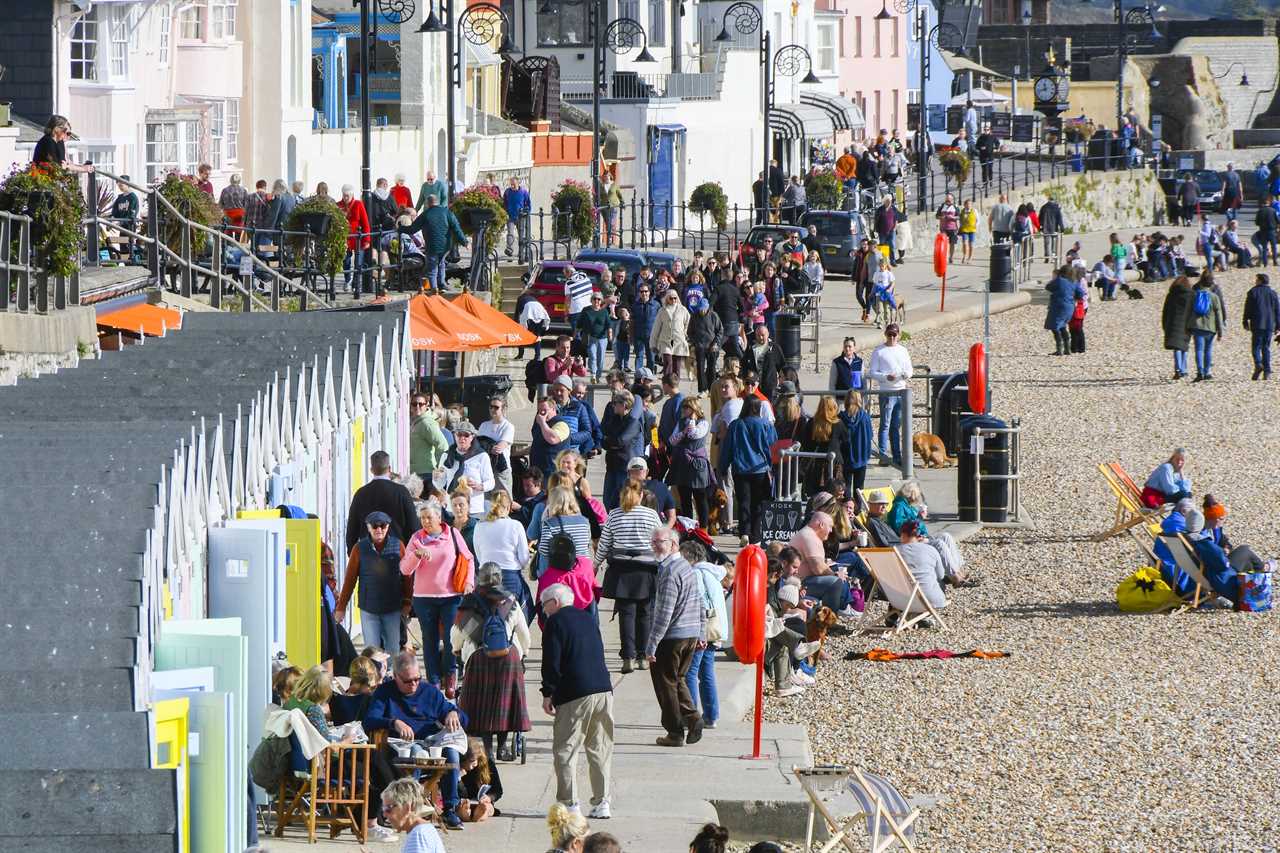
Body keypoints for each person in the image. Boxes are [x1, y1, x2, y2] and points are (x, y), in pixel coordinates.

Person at [283, 666, 397, 841]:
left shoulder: (292, 703)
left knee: (375, 763)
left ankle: (367, 816)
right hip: (322, 766)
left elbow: (318, 740)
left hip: (301, 762)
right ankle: (370, 823)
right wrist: (348, 739)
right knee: (374, 766)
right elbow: (330, 748)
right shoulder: (313, 710)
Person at [364, 650, 468, 829]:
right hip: (400, 745)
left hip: (430, 741)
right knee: (415, 753)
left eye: (417, 679)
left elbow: (465, 720)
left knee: (451, 752)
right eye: (407, 681)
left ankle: (450, 808)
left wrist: (453, 713)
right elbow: (369, 720)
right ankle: (409, 807)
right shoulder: (385, 692)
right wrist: (394, 722)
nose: (413, 684)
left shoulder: (428, 691)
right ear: (396, 676)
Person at [451, 561, 531, 793]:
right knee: (504, 706)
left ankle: (486, 747)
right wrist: (523, 653)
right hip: (508, 660)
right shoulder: (511, 602)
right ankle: (504, 745)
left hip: (477, 660)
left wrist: (457, 651)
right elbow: (524, 634)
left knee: (480, 708)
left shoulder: (468, 604)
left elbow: (456, 637)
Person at [541, 581, 615, 819]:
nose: (544, 611)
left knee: (566, 749)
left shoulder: (555, 622)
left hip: (575, 692)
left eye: (545, 606)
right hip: (603, 689)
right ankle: (602, 802)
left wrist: (548, 692)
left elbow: (551, 661)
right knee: (600, 747)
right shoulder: (588, 618)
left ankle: (569, 803)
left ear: (555, 602)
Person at [401, 502, 475, 693]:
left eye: (429, 517)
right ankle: (433, 680)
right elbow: (404, 569)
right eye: (422, 518)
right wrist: (416, 555)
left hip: (451, 596)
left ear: (439, 518)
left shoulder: (452, 534)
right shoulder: (416, 538)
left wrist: (469, 582)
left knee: (451, 640)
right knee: (430, 639)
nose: (425, 521)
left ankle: (450, 676)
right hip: (424, 598)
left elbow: (468, 559)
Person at [644, 526, 706, 748]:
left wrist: (651, 645)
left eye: (659, 541)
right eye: (653, 541)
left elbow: (664, 612)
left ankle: (675, 731)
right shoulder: (686, 567)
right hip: (688, 634)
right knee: (677, 680)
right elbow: (700, 601)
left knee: (665, 684)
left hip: (673, 636)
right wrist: (700, 631)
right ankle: (692, 718)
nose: (654, 545)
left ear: (673, 544)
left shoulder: (670, 571)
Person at [333, 509, 411, 651]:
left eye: (383, 525)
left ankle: (393, 673)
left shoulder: (398, 545)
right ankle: (375, 673)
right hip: (368, 607)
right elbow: (349, 580)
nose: (379, 529)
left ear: (388, 527)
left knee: (393, 649)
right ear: (368, 527)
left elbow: (407, 577)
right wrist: (341, 608)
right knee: (372, 650)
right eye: (374, 526)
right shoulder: (359, 548)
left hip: (392, 607)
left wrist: (407, 601)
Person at [718, 395, 777, 546]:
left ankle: (744, 532)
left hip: (741, 469)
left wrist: (723, 467)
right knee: (758, 504)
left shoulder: (735, 425)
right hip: (760, 469)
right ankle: (756, 537)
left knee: (744, 502)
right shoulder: (765, 424)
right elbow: (773, 443)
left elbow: (728, 449)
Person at [682, 540, 725, 730]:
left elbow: (699, 604)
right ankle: (711, 715)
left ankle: (691, 716)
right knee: (707, 673)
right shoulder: (712, 573)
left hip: (702, 630)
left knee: (690, 672)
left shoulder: (695, 573)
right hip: (716, 630)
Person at [884, 481, 966, 580]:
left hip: (920, 536)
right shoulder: (899, 507)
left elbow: (911, 524)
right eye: (917, 495)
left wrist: (919, 518)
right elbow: (902, 528)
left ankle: (959, 571)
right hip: (912, 541)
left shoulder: (906, 506)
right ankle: (955, 576)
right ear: (912, 495)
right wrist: (919, 518)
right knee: (939, 543)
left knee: (946, 536)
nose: (917, 498)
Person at [473, 490, 534, 624]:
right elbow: (524, 558)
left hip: (486, 576)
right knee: (520, 613)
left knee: (488, 615)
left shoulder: (479, 525)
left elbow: (479, 555)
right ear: (509, 507)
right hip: (510, 575)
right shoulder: (515, 525)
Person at [398, 195, 468, 292]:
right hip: (445, 246)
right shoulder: (447, 213)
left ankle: (434, 288)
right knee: (441, 263)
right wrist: (464, 242)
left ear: (428, 203)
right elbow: (457, 229)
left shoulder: (425, 214)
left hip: (431, 246)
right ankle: (442, 284)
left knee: (432, 267)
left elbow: (412, 229)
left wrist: (401, 228)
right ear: (438, 202)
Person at [867, 324, 911, 467]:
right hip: (886, 391)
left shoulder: (903, 350)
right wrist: (886, 377)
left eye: (894, 335)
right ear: (885, 335)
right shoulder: (879, 351)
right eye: (889, 335)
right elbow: (872, 372)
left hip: (901, 391)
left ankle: (897, 455)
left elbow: (909, 369)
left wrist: (905, 375)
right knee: (885, 424)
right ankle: (883, 455)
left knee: (896, 425)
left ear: (898, 335)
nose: (892, 338)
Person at [668, 397, 713, 528]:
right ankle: (688, 527)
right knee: (685, 498)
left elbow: (694, 434)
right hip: (682, 463)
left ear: (694, 409)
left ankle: (704, 528)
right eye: (684, 407)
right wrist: (683, 432)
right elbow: (672, 440)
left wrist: (692, 421)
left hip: (698, 464)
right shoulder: (681, 422)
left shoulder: (703, 423)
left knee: (700, 498)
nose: (684, 410)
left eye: (687, 407)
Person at [436, 421, 494, 516]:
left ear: (472, 437)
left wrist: (479, 486)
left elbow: (491, 482)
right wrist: (436, 478)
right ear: (455, 436)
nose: (462, 438)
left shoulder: (481, 456)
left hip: (473, 508)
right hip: (452, 508)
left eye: (466, 435)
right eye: (459, 434)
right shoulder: (446, 456)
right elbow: (440, 485)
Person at [894, 520, 949, 617]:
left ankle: (900, 616)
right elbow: (940, 575)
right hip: (931, 599)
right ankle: (924, 616)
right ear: (918, 535)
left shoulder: (893, 552)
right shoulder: (931, 549)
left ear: (903, 534)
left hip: (900, 600)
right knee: (937, 581)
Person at [833, 388, 873, 495]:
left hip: (845, 457)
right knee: (859, 489)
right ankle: (858, 509)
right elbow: (870, 436)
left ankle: (846, 509)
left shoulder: (841, 418)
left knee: (845, 487)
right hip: (861, 457)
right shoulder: (865, 417)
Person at [1186, 274, 1225, 381]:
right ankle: (1207, 372)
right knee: (1208, 350)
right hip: (1210, 328)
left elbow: (1188, 312)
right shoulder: (1214, 297)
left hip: (1197, 326)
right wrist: (1220, 332)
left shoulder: (1194, 295)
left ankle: (1200, 372)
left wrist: (1187, 327)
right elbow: (1219, 315)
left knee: (1199, 350)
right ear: (1211, 284)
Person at [337, 185, 373, 295]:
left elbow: (365, 223)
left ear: (352, 195)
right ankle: (348, 280)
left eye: (347, 196)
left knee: (358, 262)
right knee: (345, 261)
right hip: (345, 239)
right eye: (344, 195)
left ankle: (355, 284)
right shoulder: (338, 205)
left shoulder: (358, 204)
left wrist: (367, 240)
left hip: (358, 239)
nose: (345, 198)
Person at [1243, 273, 1280, 380]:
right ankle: (1267, 371)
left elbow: (1248, 308)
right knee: (1266, 347)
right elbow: (1277, 311)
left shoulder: (1252, 292)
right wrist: (1278, 325)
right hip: (1269, 324)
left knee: (1256, 346)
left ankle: (1258, 364)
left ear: (1260, 281)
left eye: (1256, 279)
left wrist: (1245, 321)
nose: (1255, 281)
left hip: (1257, 324)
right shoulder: (1273, 293)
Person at [477, 396, 516, 495]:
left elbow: (499, 448)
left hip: (500, 471)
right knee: (486, 503)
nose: (493, 409)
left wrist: (485, 445)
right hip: (484, 469)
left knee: (502, 501)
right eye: (491, 407)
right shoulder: (483, 425)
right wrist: (488, 446)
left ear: (503, 408)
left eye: (496, 407)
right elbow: (476, 446)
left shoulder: (508, 427)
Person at [1045, 265, 1086, 356]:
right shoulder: (1074, 282)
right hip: (1070, 307)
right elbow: (1081, 294)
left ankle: (1059, 349)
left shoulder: (1059, 280)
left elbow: (1048, 287)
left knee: (1055, 326)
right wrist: (1072, 297)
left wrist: (1055, 279)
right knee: (1063, 325)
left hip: (1058, 306)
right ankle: (1067, 349)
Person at [651, 289, 692, 379]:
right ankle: (666, 384)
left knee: (677, 366)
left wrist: (685, 332)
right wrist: (653, 344)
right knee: (668, 362)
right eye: (671, 298)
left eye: (675, 298)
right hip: (665, 340)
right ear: (667, 299)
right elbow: (656, 328)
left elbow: (688, 322)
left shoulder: (683, 310)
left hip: (678, 340)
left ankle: (675, 386)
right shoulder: (662, 310)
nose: (673, 300)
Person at [740, 322, 786, 399]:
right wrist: (746, 377)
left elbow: (782, 366)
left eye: (763, 335)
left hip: (770, 387)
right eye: (758, 335)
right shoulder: (750, 348)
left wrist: (782, 382)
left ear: (768, 334)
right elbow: (744, 365)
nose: (761, 337)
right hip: (753, 386)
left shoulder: (774, 348)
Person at [1161, 275, 1195, 380]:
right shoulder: (1191, 295)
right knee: (1184, 346)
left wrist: (1164, 324)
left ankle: (1178, 369)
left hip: (1172, 323)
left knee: (1176, 347)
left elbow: (1165, 311)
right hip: (1186, 322)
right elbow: (1193, 311)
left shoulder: (1171, 295)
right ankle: (1184, 369)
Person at [530, 395, 573, 475]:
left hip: (555, 474)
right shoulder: (540, 424)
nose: (541, 413)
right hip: (538, 473)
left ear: (553, 409)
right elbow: (538, 444)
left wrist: (542, 423)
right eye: (539, 410)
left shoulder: (561, 424)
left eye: (544, 410)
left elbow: (552, 439)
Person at [502, 176, 530, 258]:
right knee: (510, 233)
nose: (512, 186)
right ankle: (509, 249)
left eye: (514, 184)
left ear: (518, 183)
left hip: (521, 217)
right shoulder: (507, 192)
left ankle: (522, 251)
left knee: (521, 235)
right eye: (511, 184)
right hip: (510, 216)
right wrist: (505, 212)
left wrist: (526, 213)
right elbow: (504, 203)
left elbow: (528, 204)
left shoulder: (524, 192)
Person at [874, 195, 898, 266]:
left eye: (890, 201)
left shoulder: (893, 209)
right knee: (883, 246)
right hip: (882, 231)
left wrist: (894, 228)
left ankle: (892, 261)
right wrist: (876, 230)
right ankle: (884, 261)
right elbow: (876, 220)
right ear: (884, 202)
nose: (889, 202)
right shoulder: (880, 209)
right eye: (887, 201)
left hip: (891, 231)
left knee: (892, 246)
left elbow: (896, 219)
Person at [936, 193, 960, 263]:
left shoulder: (955, 206)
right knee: (943, 243)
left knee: (952, 243)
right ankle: (944, 257)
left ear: (952, 200)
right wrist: (942, 217)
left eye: (949, 200)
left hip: (953, 228)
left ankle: (951, 257)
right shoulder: (941, 206)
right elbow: (937, 216)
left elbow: (959, 216)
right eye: (946, 200)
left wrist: (953, 217)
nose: (947, 201)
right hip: (943, 228)